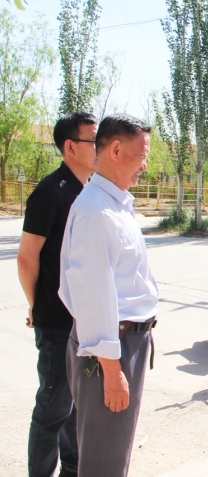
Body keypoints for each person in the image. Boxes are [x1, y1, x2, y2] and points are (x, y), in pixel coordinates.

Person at [59, 113, 159, 477]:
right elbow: (93, 299)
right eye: (141, 155)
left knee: (114, 452)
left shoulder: (113, 204)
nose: (145, 165)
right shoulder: (97, 212)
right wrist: (112, 371)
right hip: (110, 350)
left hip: (124, 343)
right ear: (116, 150)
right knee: (104, 461)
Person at [18, 112, 98, 477]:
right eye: (93, 141)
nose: (100, 147)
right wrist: (36, 306)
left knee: (76, 408)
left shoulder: (87, 192)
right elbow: (27, 257)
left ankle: (72, 470)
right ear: (70, 147)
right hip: (56, 322)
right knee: (52, 410)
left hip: (83, 322)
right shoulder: (50, 192)